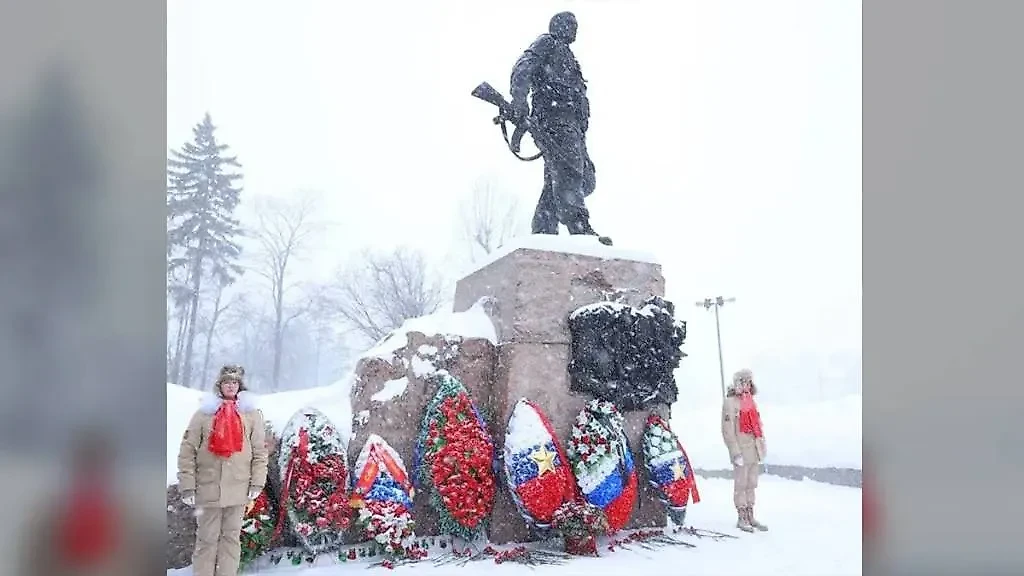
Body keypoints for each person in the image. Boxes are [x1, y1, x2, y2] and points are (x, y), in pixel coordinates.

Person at [509, 11, 610, 244]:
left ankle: (543, 228)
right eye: (571, 25)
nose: (575, 30)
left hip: (572, 127)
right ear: (559, 26)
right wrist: (519, 100)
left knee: (581, 177)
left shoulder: (569, 58)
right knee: (569, 170)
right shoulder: (547, 43)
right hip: (554, 120)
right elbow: (523, 67)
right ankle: (579, 226)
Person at [177, 365, 268, 576]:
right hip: (208, 488)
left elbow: (259, 452)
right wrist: (188, 486)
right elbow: (187, 452)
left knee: (231, 539)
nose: (230, 386)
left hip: (238, 489)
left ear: (240, 386)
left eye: (234, 382)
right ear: (219, 385)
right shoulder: (203, 415)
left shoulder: (251, 415)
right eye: (226, 382)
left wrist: (257, 483)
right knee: (207, 540)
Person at [721, 368, 768, 532]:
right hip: (741, 449)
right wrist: (735, 452)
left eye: (749, 381)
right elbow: (727, 430)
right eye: (744, 381)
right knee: (741, 484)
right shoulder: (730, 402)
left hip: (753, 449)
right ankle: (741, 516)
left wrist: (761, 444)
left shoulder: (750, 401)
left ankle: (750, 514)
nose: (747, 384)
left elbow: (757, 424)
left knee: (751, 483)